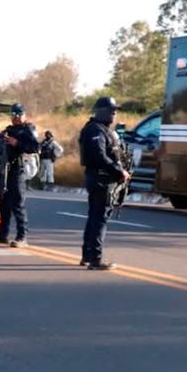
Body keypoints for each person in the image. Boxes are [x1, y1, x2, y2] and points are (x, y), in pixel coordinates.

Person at [79, 96, 130, 270]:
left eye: (115, 110)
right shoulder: (95, 130)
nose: (114, 113)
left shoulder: (104, 130)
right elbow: (99, 156)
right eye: (111, 110)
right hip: (100, 179)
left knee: (94, 217)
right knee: (99, 219)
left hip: (103, 179)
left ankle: (88, 255)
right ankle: (95, 259)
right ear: (100, 111)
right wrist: (118, 171)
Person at [0, 103, 39, 247]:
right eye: (13, 114)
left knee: (17, 203)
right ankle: (2, 234)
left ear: (24, 115)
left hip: (18, 169)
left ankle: (22, 236)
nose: (15, 117)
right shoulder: (9, 130)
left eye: (18, 114)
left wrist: (17, 143)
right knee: (4, 203)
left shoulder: (28, 129)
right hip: (5, 169)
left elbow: (36, 147)